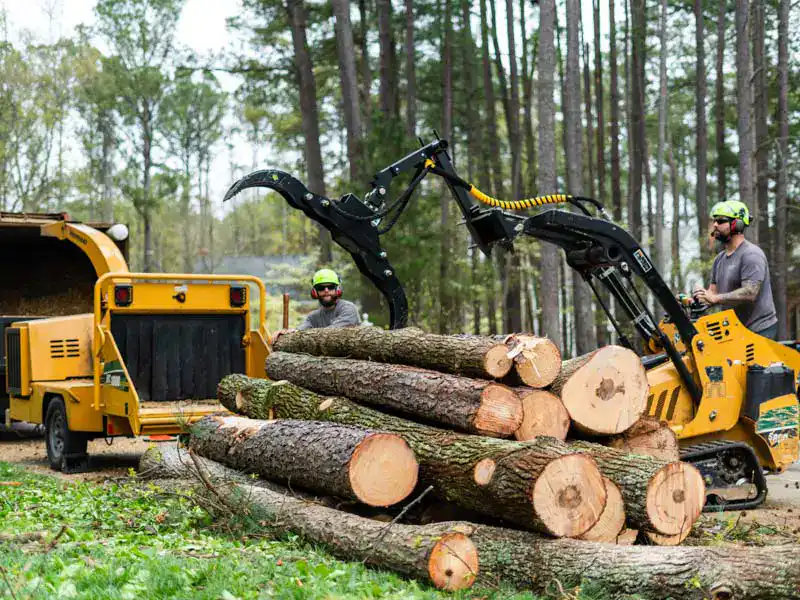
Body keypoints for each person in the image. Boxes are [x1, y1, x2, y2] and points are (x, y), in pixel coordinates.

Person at [691, 201, 778, 339]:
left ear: (737, 224)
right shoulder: (719, 259)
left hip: (759, 330)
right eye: (714, 221)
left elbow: (750, 292)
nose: (715, 225)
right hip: (735, 331)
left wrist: (715, 298)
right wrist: (697, 298)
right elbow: (712, 293)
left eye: (720, 221)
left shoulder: (751, 255)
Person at [274, 269, 360, 340]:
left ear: (337, 289)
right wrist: (289, 332)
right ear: (315, 292)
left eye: (330, 287)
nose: (326, 290)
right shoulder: (313, 317)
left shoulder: (348, 308)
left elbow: (333, 331)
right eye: (321, 288)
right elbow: (299, 330)